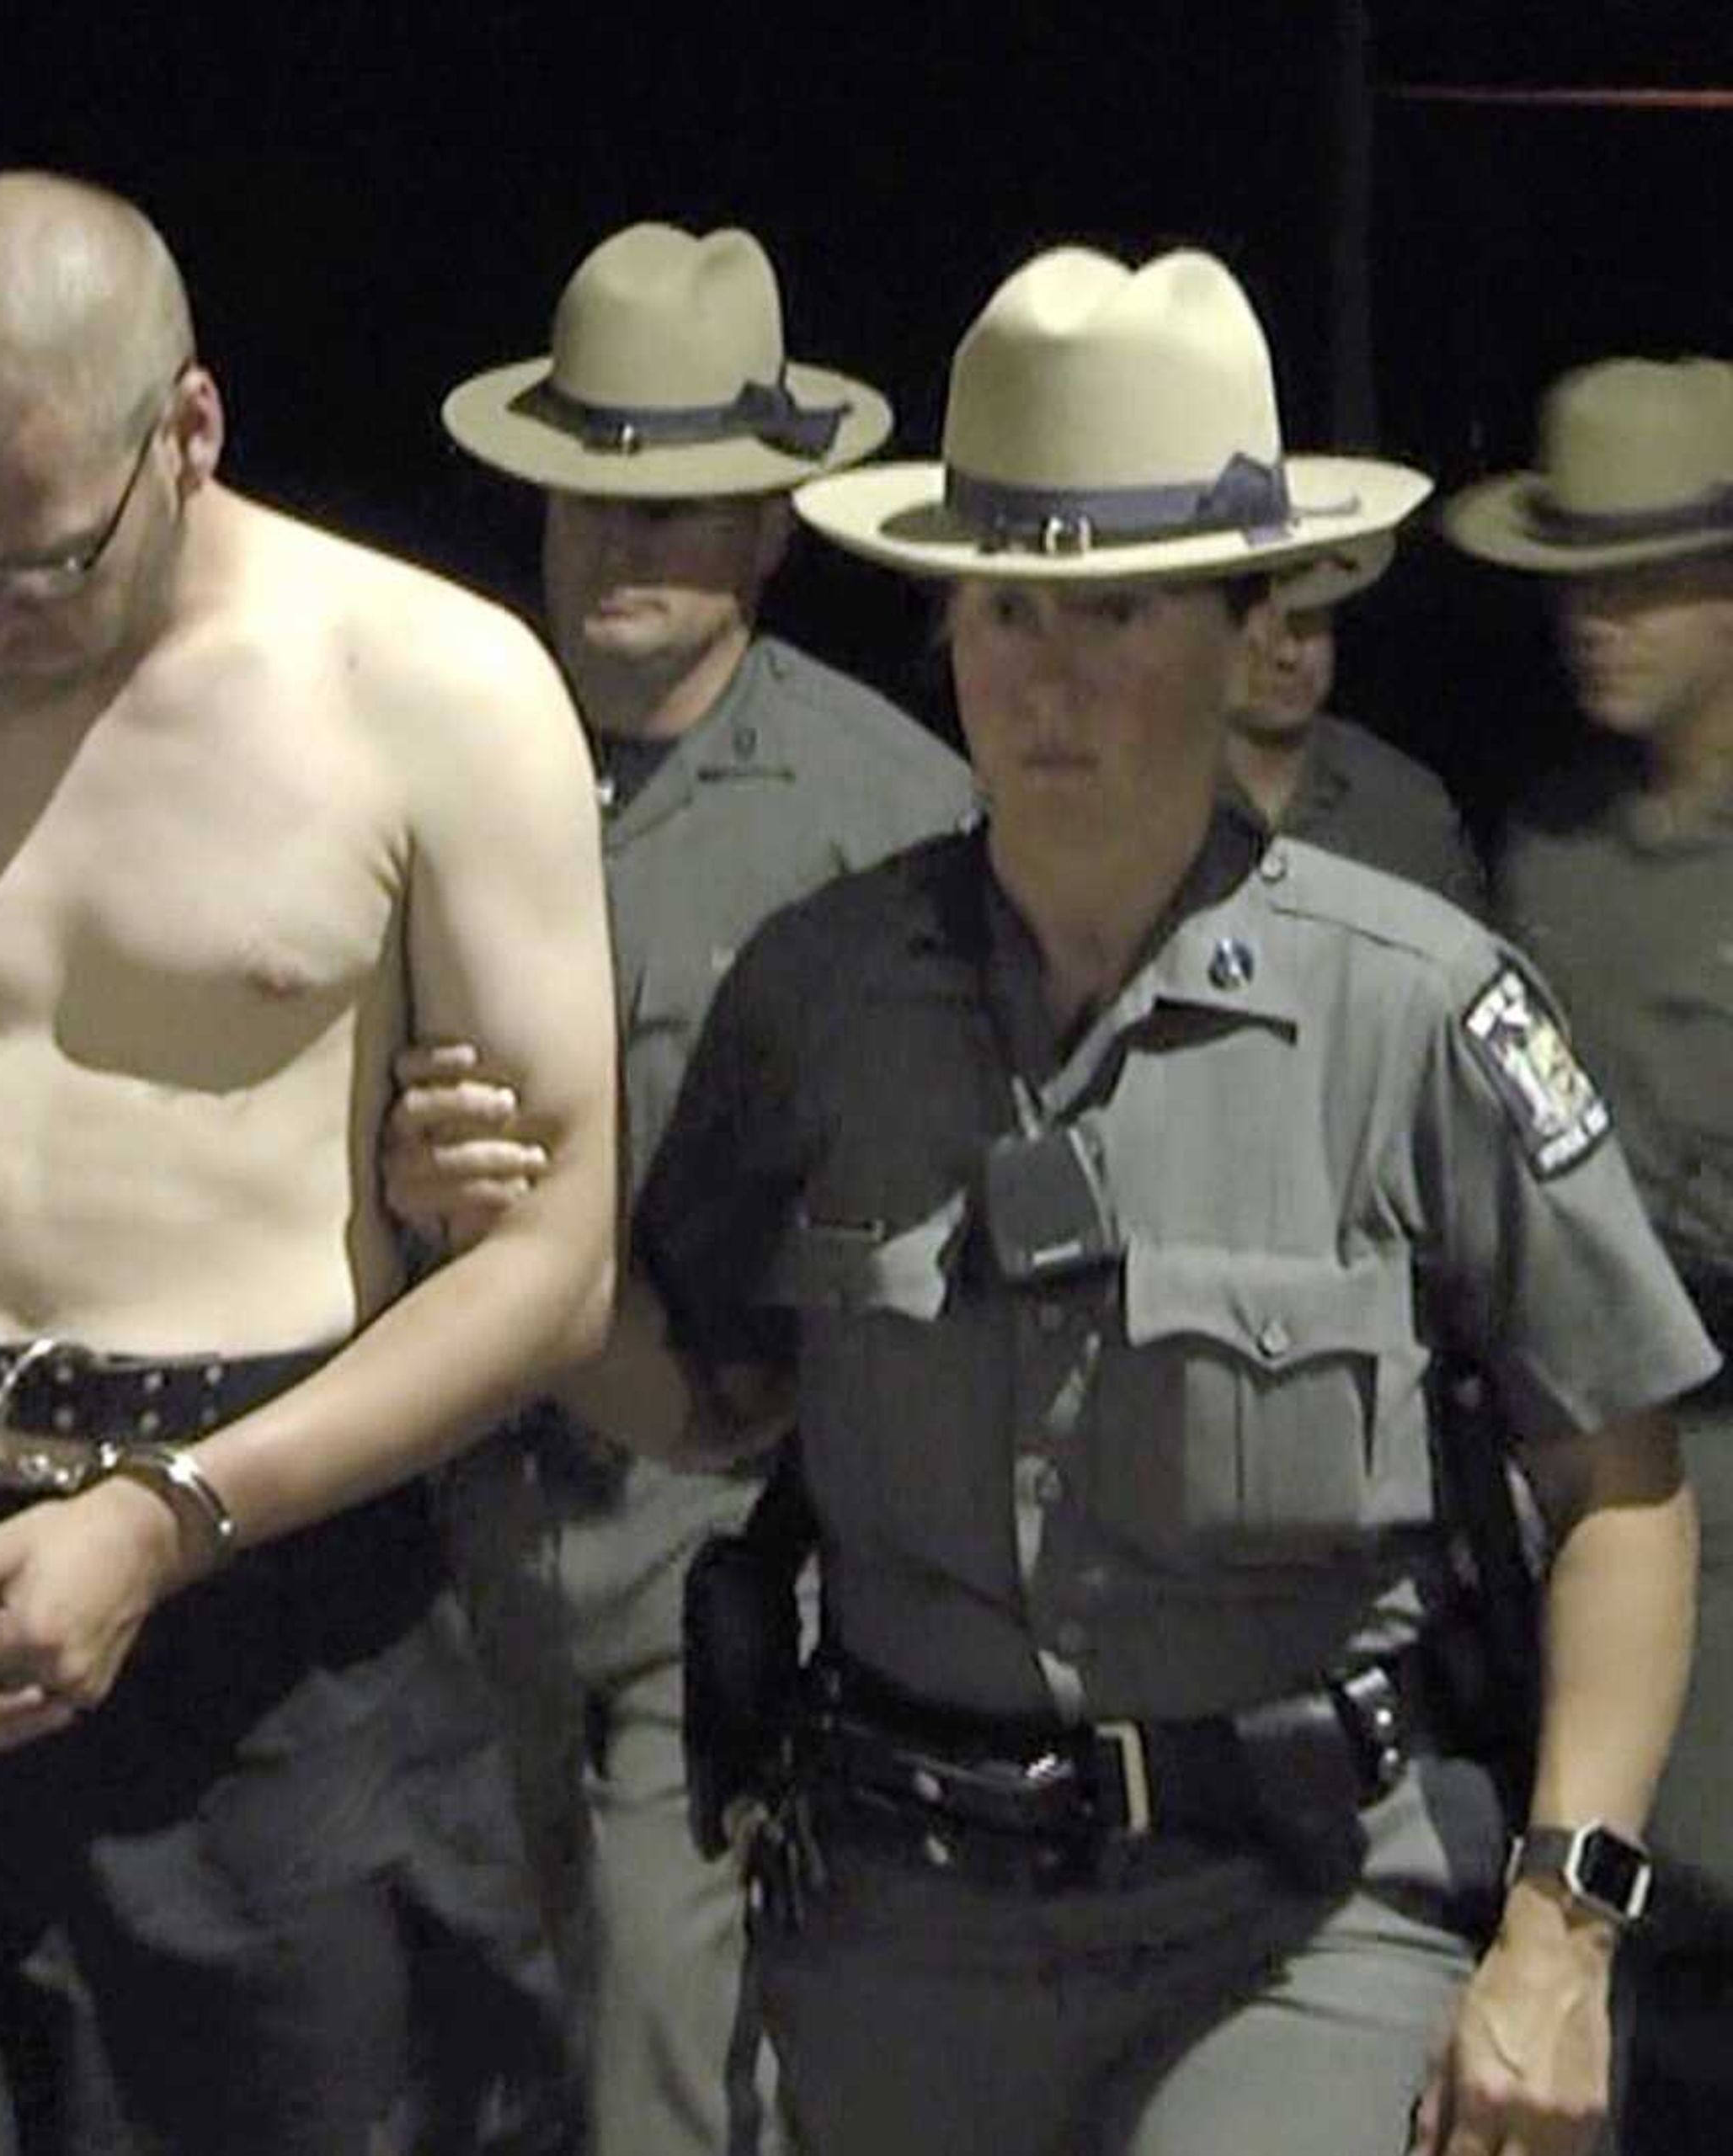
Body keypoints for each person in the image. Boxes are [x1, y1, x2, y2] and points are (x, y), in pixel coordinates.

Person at [599, 247, 1706, 2153]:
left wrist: (1555, 1931)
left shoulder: (1415, 1007)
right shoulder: (822, 993)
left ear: (1237, 624)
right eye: (1005, 607)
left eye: (1113, 616)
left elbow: (1617, 1485)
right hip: (899, 1930)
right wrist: (503, 1234)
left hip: (1289, 1914)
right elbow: (698, 1393)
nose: (1047, 678)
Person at [0, 171, 617, 2153]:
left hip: (274, 1588)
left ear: (191, 429)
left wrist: (162, 1517)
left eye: (45, 562)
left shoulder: (433, 687)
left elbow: (554, 1260)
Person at [405, 219, 971, 2156]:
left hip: (713, 1546)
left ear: (770, 528)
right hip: (418, 1547)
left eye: (679, 503)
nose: (620, 542)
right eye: (585, 492)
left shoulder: (881, 820)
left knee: (669, 2061)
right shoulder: (425, 747)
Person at [1448, 354, 1733, 2154]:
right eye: (1572, 574)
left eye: (1637, 574)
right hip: (1585, 1524)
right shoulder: (1541, 844)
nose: (1589, 618)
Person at [1218, 532, 1487, 911]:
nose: (1289, 654)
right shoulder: (1139, 805)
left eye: (1309, 619)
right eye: (1256, 632)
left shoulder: (1405, 809)